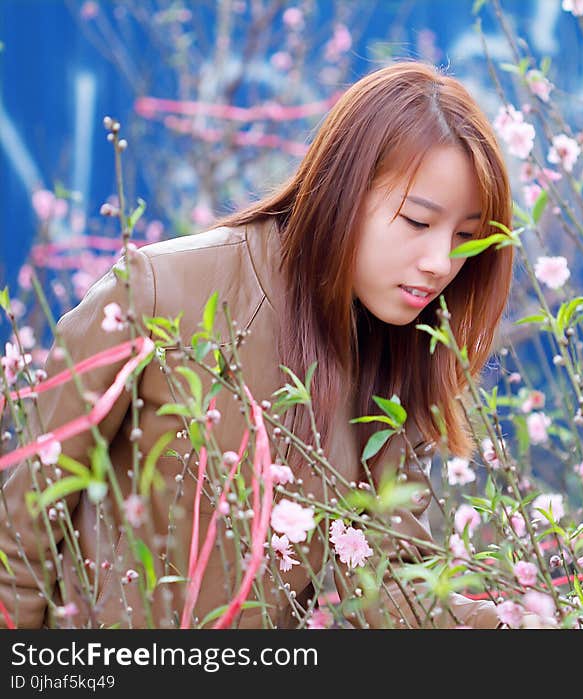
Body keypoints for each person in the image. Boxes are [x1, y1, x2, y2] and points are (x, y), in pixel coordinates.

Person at [0, 61, 514, 629]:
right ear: (345, 190)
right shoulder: (157, 292)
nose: (442, 263)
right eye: (419, 221)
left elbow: (388, 587)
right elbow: (20, 537)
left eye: (465, 237)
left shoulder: (399, 360)